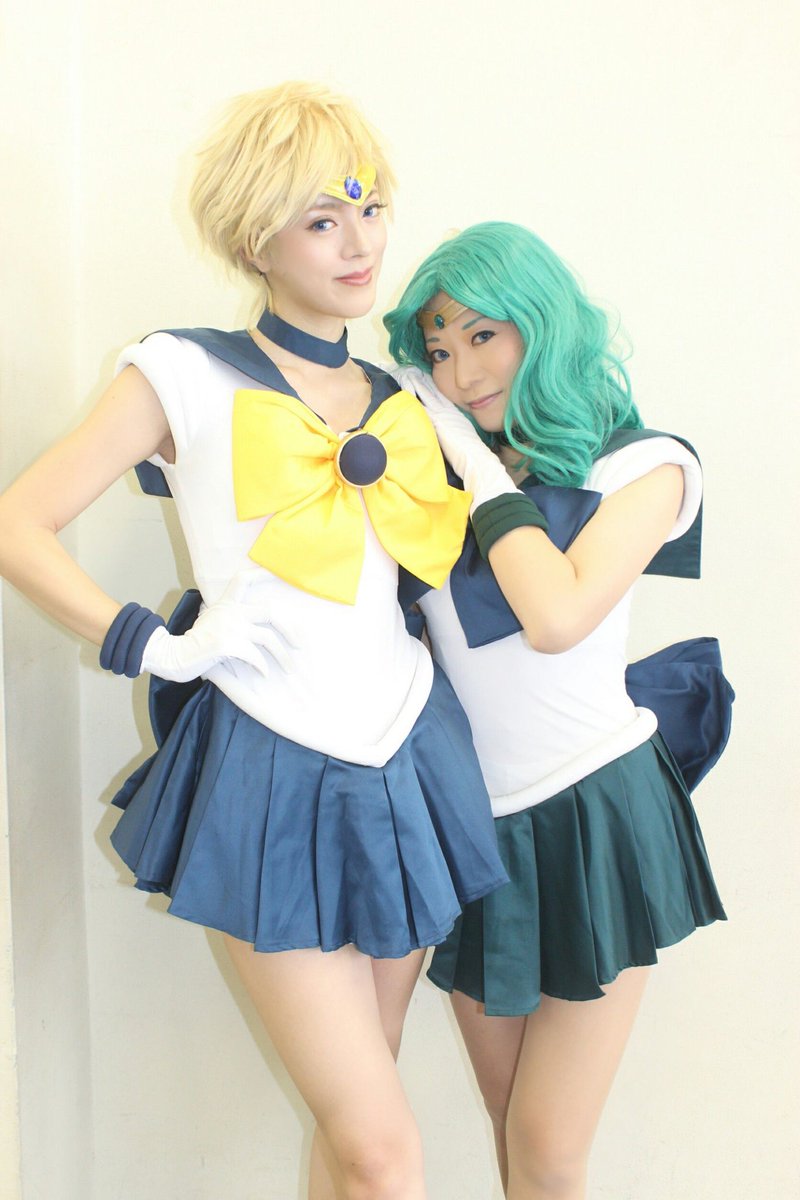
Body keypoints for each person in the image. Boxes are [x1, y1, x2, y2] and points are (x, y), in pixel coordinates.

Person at [0, 86, 507, 1200]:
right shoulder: (181, 369)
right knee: (383, 1152)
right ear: (253, 240)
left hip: (406, 752)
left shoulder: (406, 395)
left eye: (368, 208)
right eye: (322, 219)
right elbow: (18, 523)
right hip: (270, 760)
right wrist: (149, 643)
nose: (359, 243)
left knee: (356, 1129)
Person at [384, 221, 728, 1200]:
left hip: (595, 813)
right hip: (474, 825)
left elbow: (557, 615)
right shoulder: (435, 484)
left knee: (545, 1144)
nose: (459, 373)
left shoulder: (644, 464)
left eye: (481, 336)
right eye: (437, 351)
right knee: (513, 1130)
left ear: (539, 323)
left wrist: (470, 461)